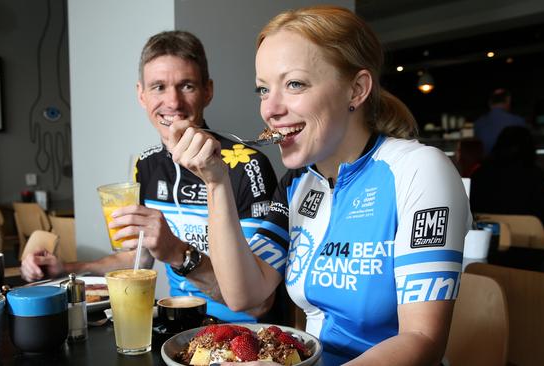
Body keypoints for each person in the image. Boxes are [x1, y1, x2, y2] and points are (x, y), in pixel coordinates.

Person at [167, 5, 471, 365]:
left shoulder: (420, 170)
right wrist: (216, 182)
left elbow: (423, 340)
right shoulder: (298, 183)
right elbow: (244, 295)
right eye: (263, 90)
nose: (271, 109)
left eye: (294, 84)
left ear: (356, 90)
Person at [21, 30, 281, 323]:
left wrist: (178, 254)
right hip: (174, 322)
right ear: (141, 95)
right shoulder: (145, 165)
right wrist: (67, 267)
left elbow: (259, 304)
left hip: (242, 332)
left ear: (208, 91)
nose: (173, 102)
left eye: (187, 86)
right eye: (158, 87)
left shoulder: (248, 165)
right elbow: (139, 259)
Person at [471, 126, 544, 228]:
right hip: (527, 239)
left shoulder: (479, 173)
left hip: (488, 238)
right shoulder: (534, 174)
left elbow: (470, 212)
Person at [474, 88, 526, 154]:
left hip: (489, 163)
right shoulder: (518, 122)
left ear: (490, 103)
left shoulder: (478, 124)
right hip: (511, 163)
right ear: (508, 100)